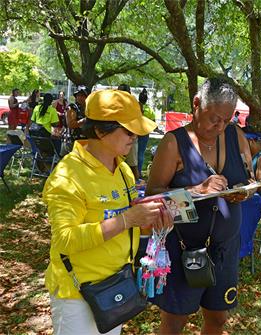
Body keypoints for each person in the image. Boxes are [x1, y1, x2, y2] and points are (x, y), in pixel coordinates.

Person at [43, 89, 173, 334]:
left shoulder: (122, 169)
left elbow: (133, 223)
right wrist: (125, 220)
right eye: (128, 130)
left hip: (117, 285)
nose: (135, 137)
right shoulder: (68, 175)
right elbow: (64, 239)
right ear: (101, 131)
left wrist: (156, 222)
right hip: (78, 293)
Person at [147, 77, 254, 334]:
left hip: (224, 249)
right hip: (185, 248)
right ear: (196, 104)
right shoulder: (174, 143)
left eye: (226, 120)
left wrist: (244, 192)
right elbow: (152, 199)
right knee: (175, 321)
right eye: (213, 118)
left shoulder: (234, 135)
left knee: (218, 318)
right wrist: (196, 191)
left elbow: (248, 177)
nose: (219, 126)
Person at [117, 84, 140, 180]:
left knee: (132, 164)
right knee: (117, 163)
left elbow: (139, 120)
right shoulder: (115, 104)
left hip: (131, 135)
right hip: (118, 138)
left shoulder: (134, 104)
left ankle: (136, 184)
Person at [137, 88, 159, 179]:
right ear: (146, 99)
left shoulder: (134, 107)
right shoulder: (150, 110)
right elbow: (153, 123)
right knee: (141, 153)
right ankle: (138, 172)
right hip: (144, 133)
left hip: (134, 132)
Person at [62, 86, 88, 155]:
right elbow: (71, 124)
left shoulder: (88, 108)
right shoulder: (72, 108)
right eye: (78, 95)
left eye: (82, 95)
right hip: (73, 142)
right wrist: (85, 120)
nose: (80, 97)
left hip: (86, 142)